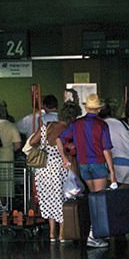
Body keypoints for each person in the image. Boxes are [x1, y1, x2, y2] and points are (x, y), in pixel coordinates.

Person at [58, 94, 116, 249]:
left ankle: (94, 231)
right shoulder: (102, 125)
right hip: (97, 164)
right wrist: (112, 172)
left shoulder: (76, 124)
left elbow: (60, 139)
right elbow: (106, 150)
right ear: (99, 109)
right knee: (100, 200)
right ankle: (94, 234)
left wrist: (64, 158)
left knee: (93, 199)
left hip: (83, 165)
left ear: (86, 108)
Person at [29, 102, 80, 242]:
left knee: (50, 200)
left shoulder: (48, 125)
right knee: (62, 200)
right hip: (60, 167)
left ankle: (52, 233)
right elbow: (71, 150)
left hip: (43, 169)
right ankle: (62, 234)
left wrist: (44, 146)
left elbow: (33, 141)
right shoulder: (69, 130)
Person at [0, 103, 22, 199]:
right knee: (6, 185)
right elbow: (18, 145)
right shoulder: (11, 126)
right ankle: (5, 208)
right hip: (7, 158)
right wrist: (10, 149)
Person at [99, 99, 129, 186]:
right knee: (124, 196)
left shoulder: (101, 125)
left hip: (115, 164)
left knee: (110, 196)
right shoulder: (123, 124)